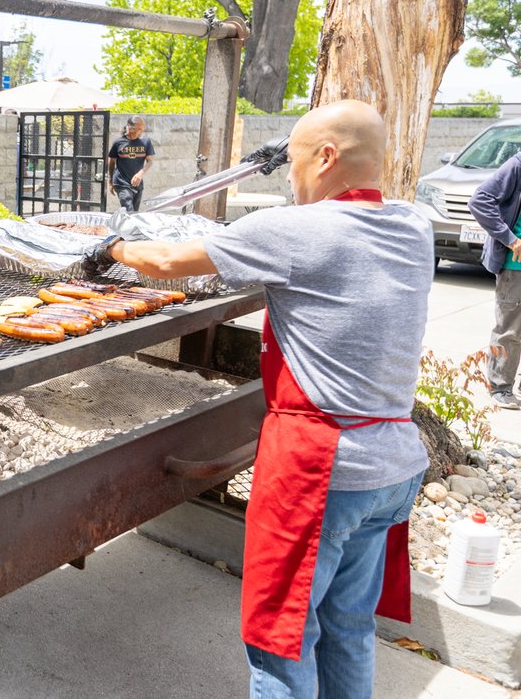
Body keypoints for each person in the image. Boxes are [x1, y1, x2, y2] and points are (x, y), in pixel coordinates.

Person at [87, 99, 431, 698]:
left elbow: (167, 260)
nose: (291, 176)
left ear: (325, 158)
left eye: (296, 160)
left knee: (280, 642)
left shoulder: (296, 230)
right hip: (394, 466)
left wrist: (110, 245)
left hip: (324, 469)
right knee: (347, 626)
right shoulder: (415, 225)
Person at [468, 150, 521, 409]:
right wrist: (510, 239)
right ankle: (500, 386)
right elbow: (479, 201)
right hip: (516, 265)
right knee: (510, 329)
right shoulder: (516, 165)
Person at [107, 115, 156, 211]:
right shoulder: (118, 143)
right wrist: (110, 181)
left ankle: (125, 225)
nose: (141, 132)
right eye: (139, 129)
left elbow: (150, 161)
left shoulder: (145, 141)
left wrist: (140, 174)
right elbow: (112, 161)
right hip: (121, 183)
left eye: (142, 129)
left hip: (137, 184)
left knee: (134, 212)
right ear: (130, 128)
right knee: (129, 209)